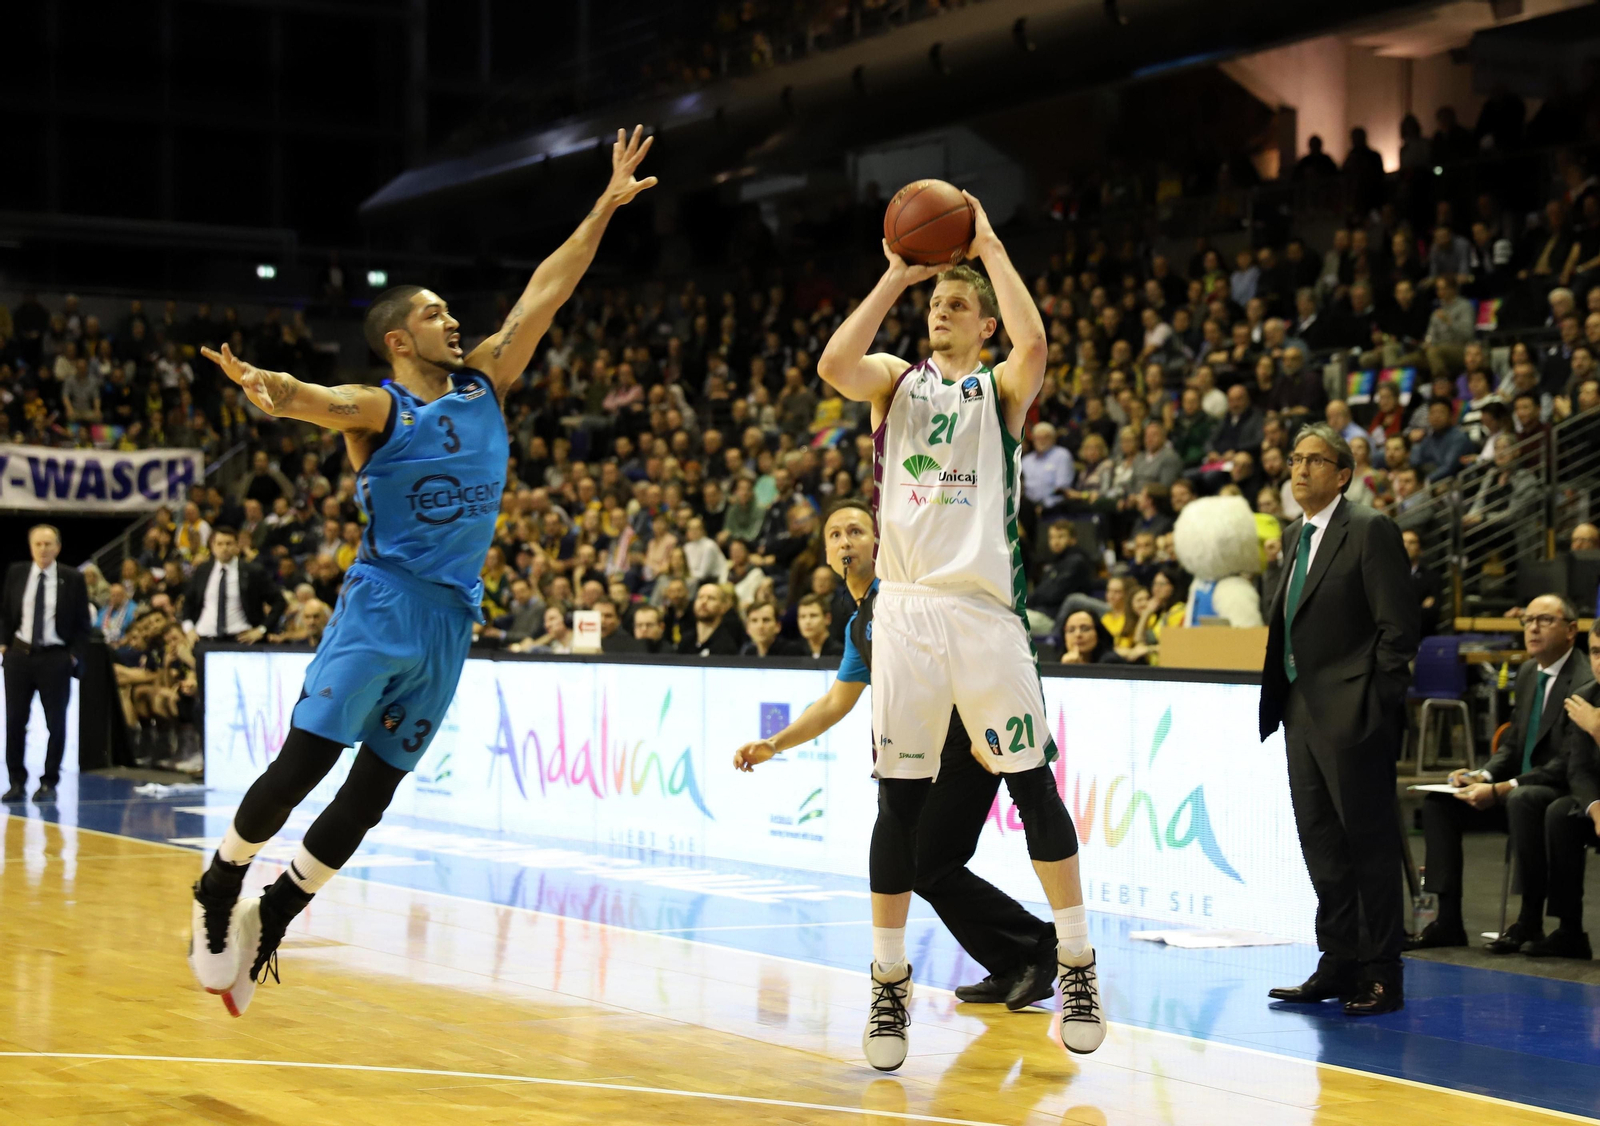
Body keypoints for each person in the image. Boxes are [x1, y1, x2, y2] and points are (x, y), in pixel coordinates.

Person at [183, 125, 656, 1017]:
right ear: (400, 339)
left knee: (371, 794)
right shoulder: (381, 406)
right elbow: (316, 400)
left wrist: (604, 204)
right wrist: (271, 389)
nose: (454, 321)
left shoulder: (485, 383)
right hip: (382, 604)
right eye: (436, 314)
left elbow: (548, 290)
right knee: (303, 767)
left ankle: (275, 913)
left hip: (450, 619)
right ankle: (219, 883)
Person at [815, 193, 1103, 1070]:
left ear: (983, 325)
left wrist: (991, 247)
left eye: (956, 304)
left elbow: (1037, 345)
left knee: (1033, 786)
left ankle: (1077, 960)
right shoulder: (893, 381)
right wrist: (896, 277)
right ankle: (888, 980)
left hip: (983, 613)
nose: (941, 311)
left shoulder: (1000, 389)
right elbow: (834, 363)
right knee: (898, 804)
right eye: (935, 303)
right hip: (905, 610)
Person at [734, 499, 1059, 1018]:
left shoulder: (907, 594)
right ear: (826, 554)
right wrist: (775, 744)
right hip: (925, 750)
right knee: (927, 864)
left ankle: (1036, 949)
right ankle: (1021, 954)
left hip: (966, 737)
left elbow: (962, 655)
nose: (845, 541)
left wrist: (983, 724)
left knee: (926, 861)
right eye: (835, 534)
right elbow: (836, 701)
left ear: (880, 543)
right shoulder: (859, 624)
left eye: (856, 531)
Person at [1261, 423, 1418, 1016]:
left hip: (1354, 713)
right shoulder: (1294, 534)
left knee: (1367, 846)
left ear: (1344, 474)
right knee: (1321, 844)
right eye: (1295, 459)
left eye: (1316, 460)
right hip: (1300, 709)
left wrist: (1373, 706)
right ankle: (1339, 960)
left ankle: (1381, 972)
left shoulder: (1370, 529)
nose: (1301, 470)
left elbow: (1398, 630)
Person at [1409, 595, 1592, 953]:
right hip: (1518, 789)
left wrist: (1503, 788)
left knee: (1524, 799)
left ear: (1571, 630)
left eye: (1544, 620)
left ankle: (1529, 921)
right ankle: (1447, 921)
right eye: (1528, 620)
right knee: (1439, 805)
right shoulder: (1528, 673)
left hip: (1559, 789)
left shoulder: (1583, 680)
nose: (1533, 628)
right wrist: (1482, 775)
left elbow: (1567, 763)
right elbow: (1512, 745)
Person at [1, 525, 92, 804]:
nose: (43, 549)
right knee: (15, 720)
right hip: (19, 656)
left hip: (55, 657)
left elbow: (83, 623)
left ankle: (49, 782)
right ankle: (16, 781)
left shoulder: (72, 578)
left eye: (48, 544)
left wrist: (73, 655)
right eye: (38, 544)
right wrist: (4, 645)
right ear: (31, 547)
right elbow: (5, 612)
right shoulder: (16, 573)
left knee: (56, 722)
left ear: (58, 547)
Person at [182, 527, 279, 643]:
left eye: (229, 543)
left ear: (237, 546)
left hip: (240, 640)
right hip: (204, 638)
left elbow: (279, 601)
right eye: (219, 544)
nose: (224, 548)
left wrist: (261, 630)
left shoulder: (252, 571)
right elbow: (188, 602)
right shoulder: (202, 571)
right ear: (212, 547)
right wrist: (188, 629)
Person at [795, 592, 843, 658]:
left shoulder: (840, 653)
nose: (807, 621)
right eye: (802, 616)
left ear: (827, 618)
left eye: (813, 616)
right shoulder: (793, 653)